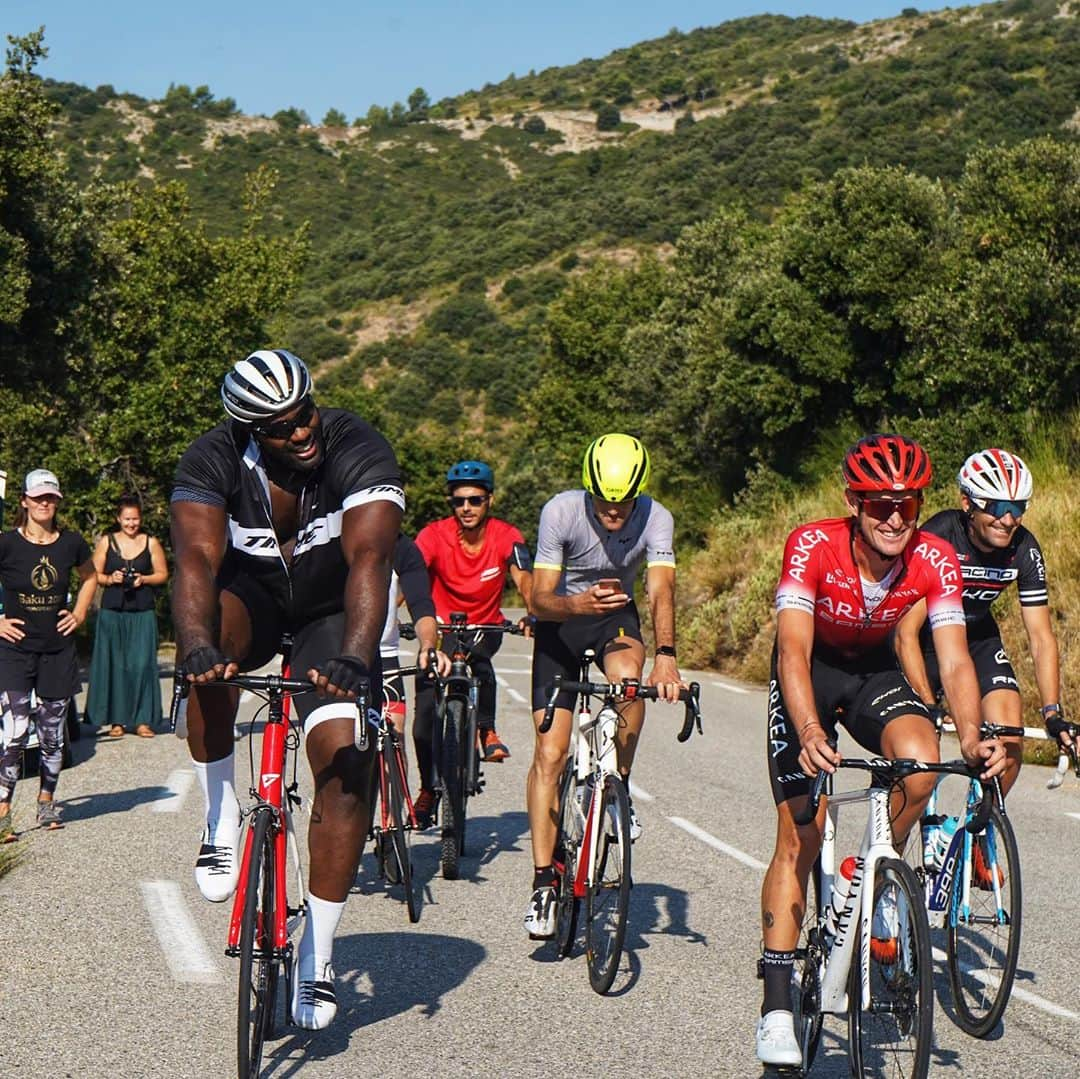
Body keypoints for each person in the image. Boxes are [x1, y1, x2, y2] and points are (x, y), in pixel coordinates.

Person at [754, 433, 1008, 1068]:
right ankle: (778, 1005)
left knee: (922, 765)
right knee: (800, 833)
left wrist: (974, 735)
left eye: (907, 503)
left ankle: (873, 872)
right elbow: (790, 650)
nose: (895, 516)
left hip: (873, 673)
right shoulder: (812, 545)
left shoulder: (936, 557)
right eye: (879, 504)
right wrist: (809, 729)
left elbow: (952, 661)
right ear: (854, 502)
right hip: (810, 670)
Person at [170, 348, 404, 1030]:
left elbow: (372, 557)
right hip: (255, 602)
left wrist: (359, 657)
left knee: (345, 758)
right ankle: (218, 816)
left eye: (305, 413)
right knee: (206, 648)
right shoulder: (211, 459)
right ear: (249, 430)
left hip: (333, 613)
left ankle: (318, 953)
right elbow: (195, 559)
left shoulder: (357, 445)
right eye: (280, 426)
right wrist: (196, 646)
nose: (301, 431)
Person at [524, 433, 683, 939]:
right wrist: (577, 604)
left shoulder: (656, 516)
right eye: (605, 504)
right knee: (550, 754)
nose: (614, 514)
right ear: (588, 488)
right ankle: (544, 882)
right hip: (561, 622)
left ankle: (618, 784)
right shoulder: (561, 512)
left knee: (629, 683)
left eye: (623, 505)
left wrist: (667, 657)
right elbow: (539, 600)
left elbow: (660, 589)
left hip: (616, 620)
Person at [895, 448, 1071, 794]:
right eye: (996, 507)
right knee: (918, 757)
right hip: (925, 639)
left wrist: (1052, 713)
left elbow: (1040, 637)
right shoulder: (939, 536)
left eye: (1017, 508)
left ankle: (977, 834)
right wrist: (929, 703)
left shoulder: (1024, 548)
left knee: (1009, 745)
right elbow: (905, 632)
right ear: (967, 504)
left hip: (977, 635)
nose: (1008, 519)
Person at [411, 459, 533, 824]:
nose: (466, 507)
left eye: (475, 500)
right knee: (423, 716)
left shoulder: (507, 536)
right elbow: (411, 582)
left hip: (485, 628)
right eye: (459, 500)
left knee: (478, 657)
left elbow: (524, 578)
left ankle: (486, 728)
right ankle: (428, 788)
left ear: (489, 501)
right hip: (441, 629)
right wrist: (386, 616)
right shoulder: (433, 535)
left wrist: (535, 611)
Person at [0, 469, 96, 840]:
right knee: (16, 732)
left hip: (57, 650)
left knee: (53, 735)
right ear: (24, 501)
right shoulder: (7, 543)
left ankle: (46, 803)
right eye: (38, 496)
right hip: (14, 651)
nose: (44, 502)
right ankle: (4, 811)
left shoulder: (70, 543)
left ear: (57, 501)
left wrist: (80, 613)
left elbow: (90, 577)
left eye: (51, 497)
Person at [86, 495, 169, 738]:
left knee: (142, 665)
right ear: (118, 519)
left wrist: (144, 579)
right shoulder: (106, 542)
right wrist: (110, 579)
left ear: (140, 518)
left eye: (135, 519)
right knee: (115, 664)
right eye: (127, 519)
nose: (131, 524)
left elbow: (162, 574)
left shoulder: (151, 542)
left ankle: (143, 720)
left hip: (142, 611)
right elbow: (93, 574)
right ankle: (117, 721)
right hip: (112, 611)